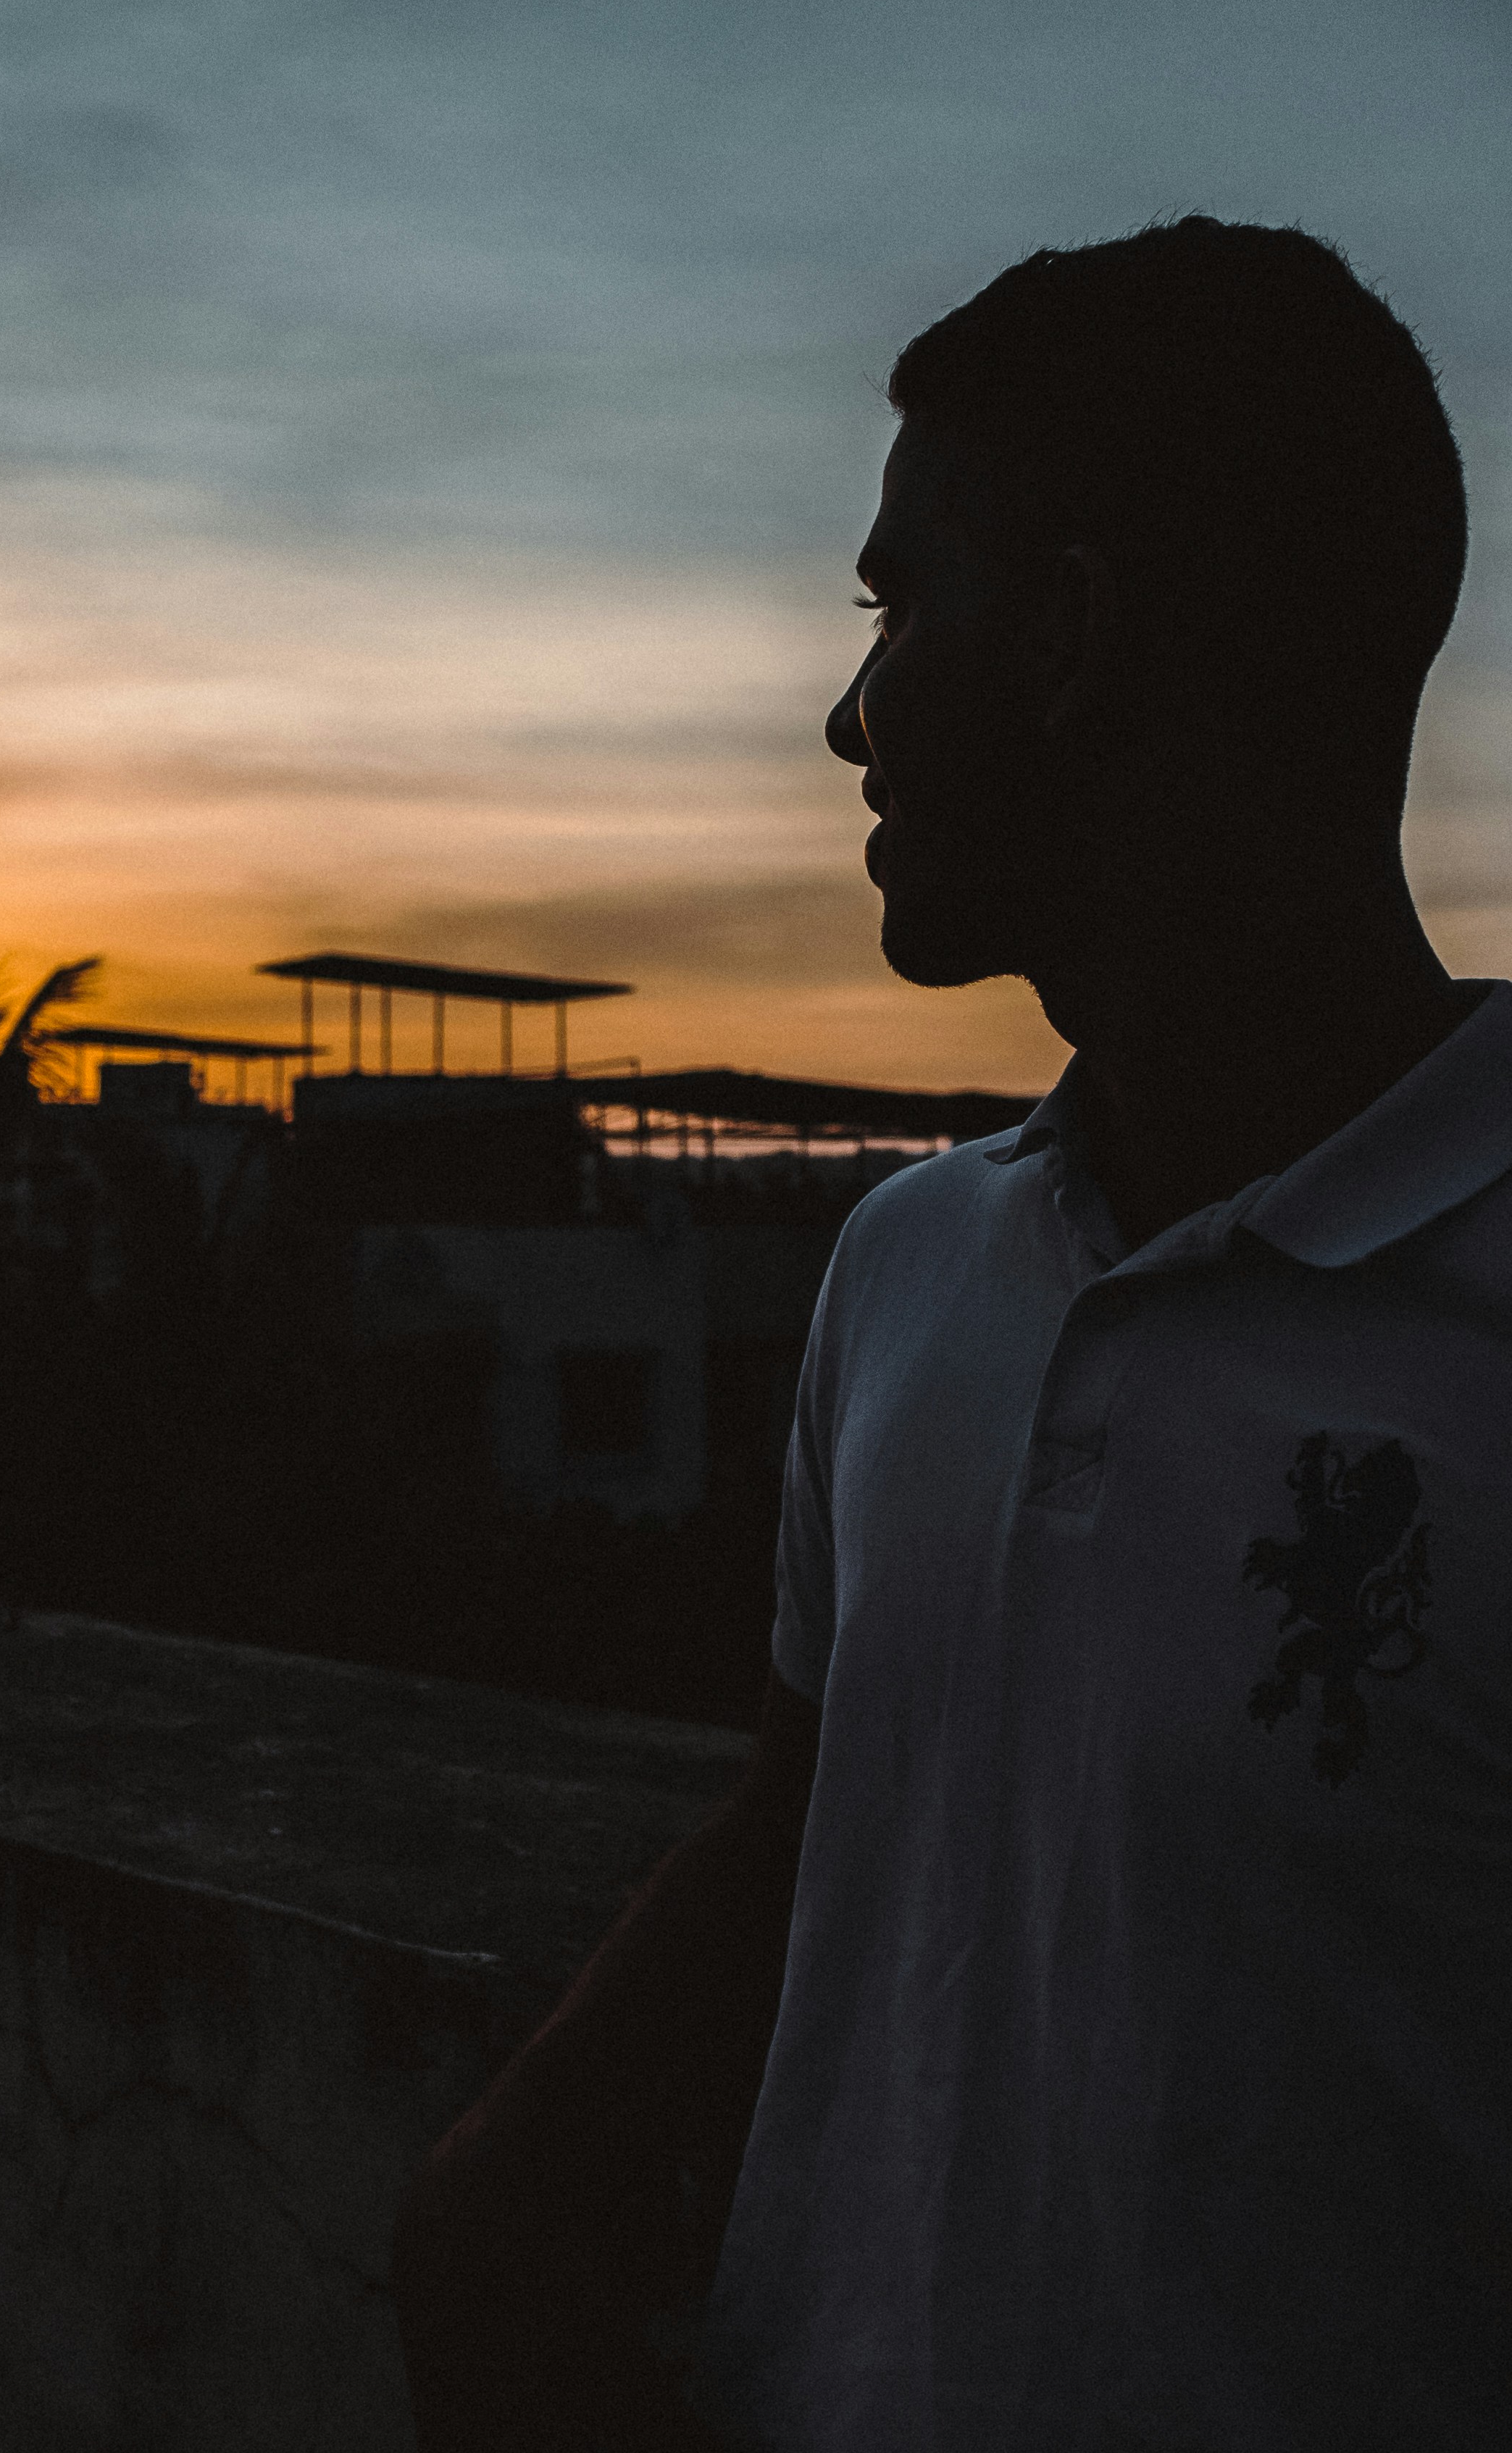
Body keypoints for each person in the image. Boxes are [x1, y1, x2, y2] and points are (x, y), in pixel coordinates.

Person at [392, 216, 1512, 2451]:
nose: (846, 713)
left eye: (898, 608)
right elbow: (837, 1795)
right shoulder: (908, 1271)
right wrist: (521, 2176)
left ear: (1077, 634)